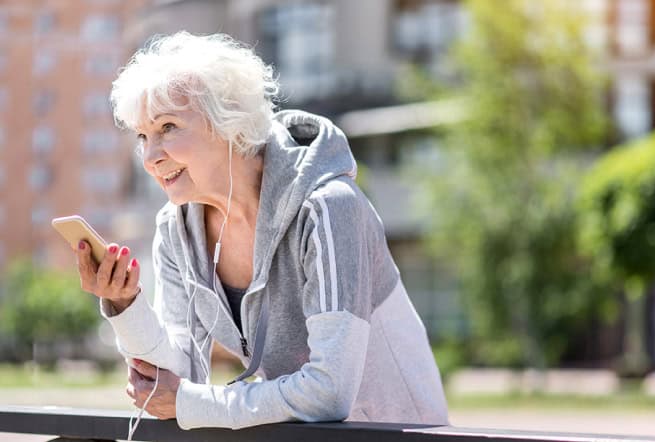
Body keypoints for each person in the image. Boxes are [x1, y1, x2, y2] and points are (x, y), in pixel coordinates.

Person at [74, 31, 448, 430]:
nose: (150, 157)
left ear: (230, 122)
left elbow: (329, 392)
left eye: (168, 127)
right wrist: (125, 306)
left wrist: (191, 402)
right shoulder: (176, 229)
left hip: (396, 435)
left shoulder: (328, 207)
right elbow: (176, 380)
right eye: (143, 136)